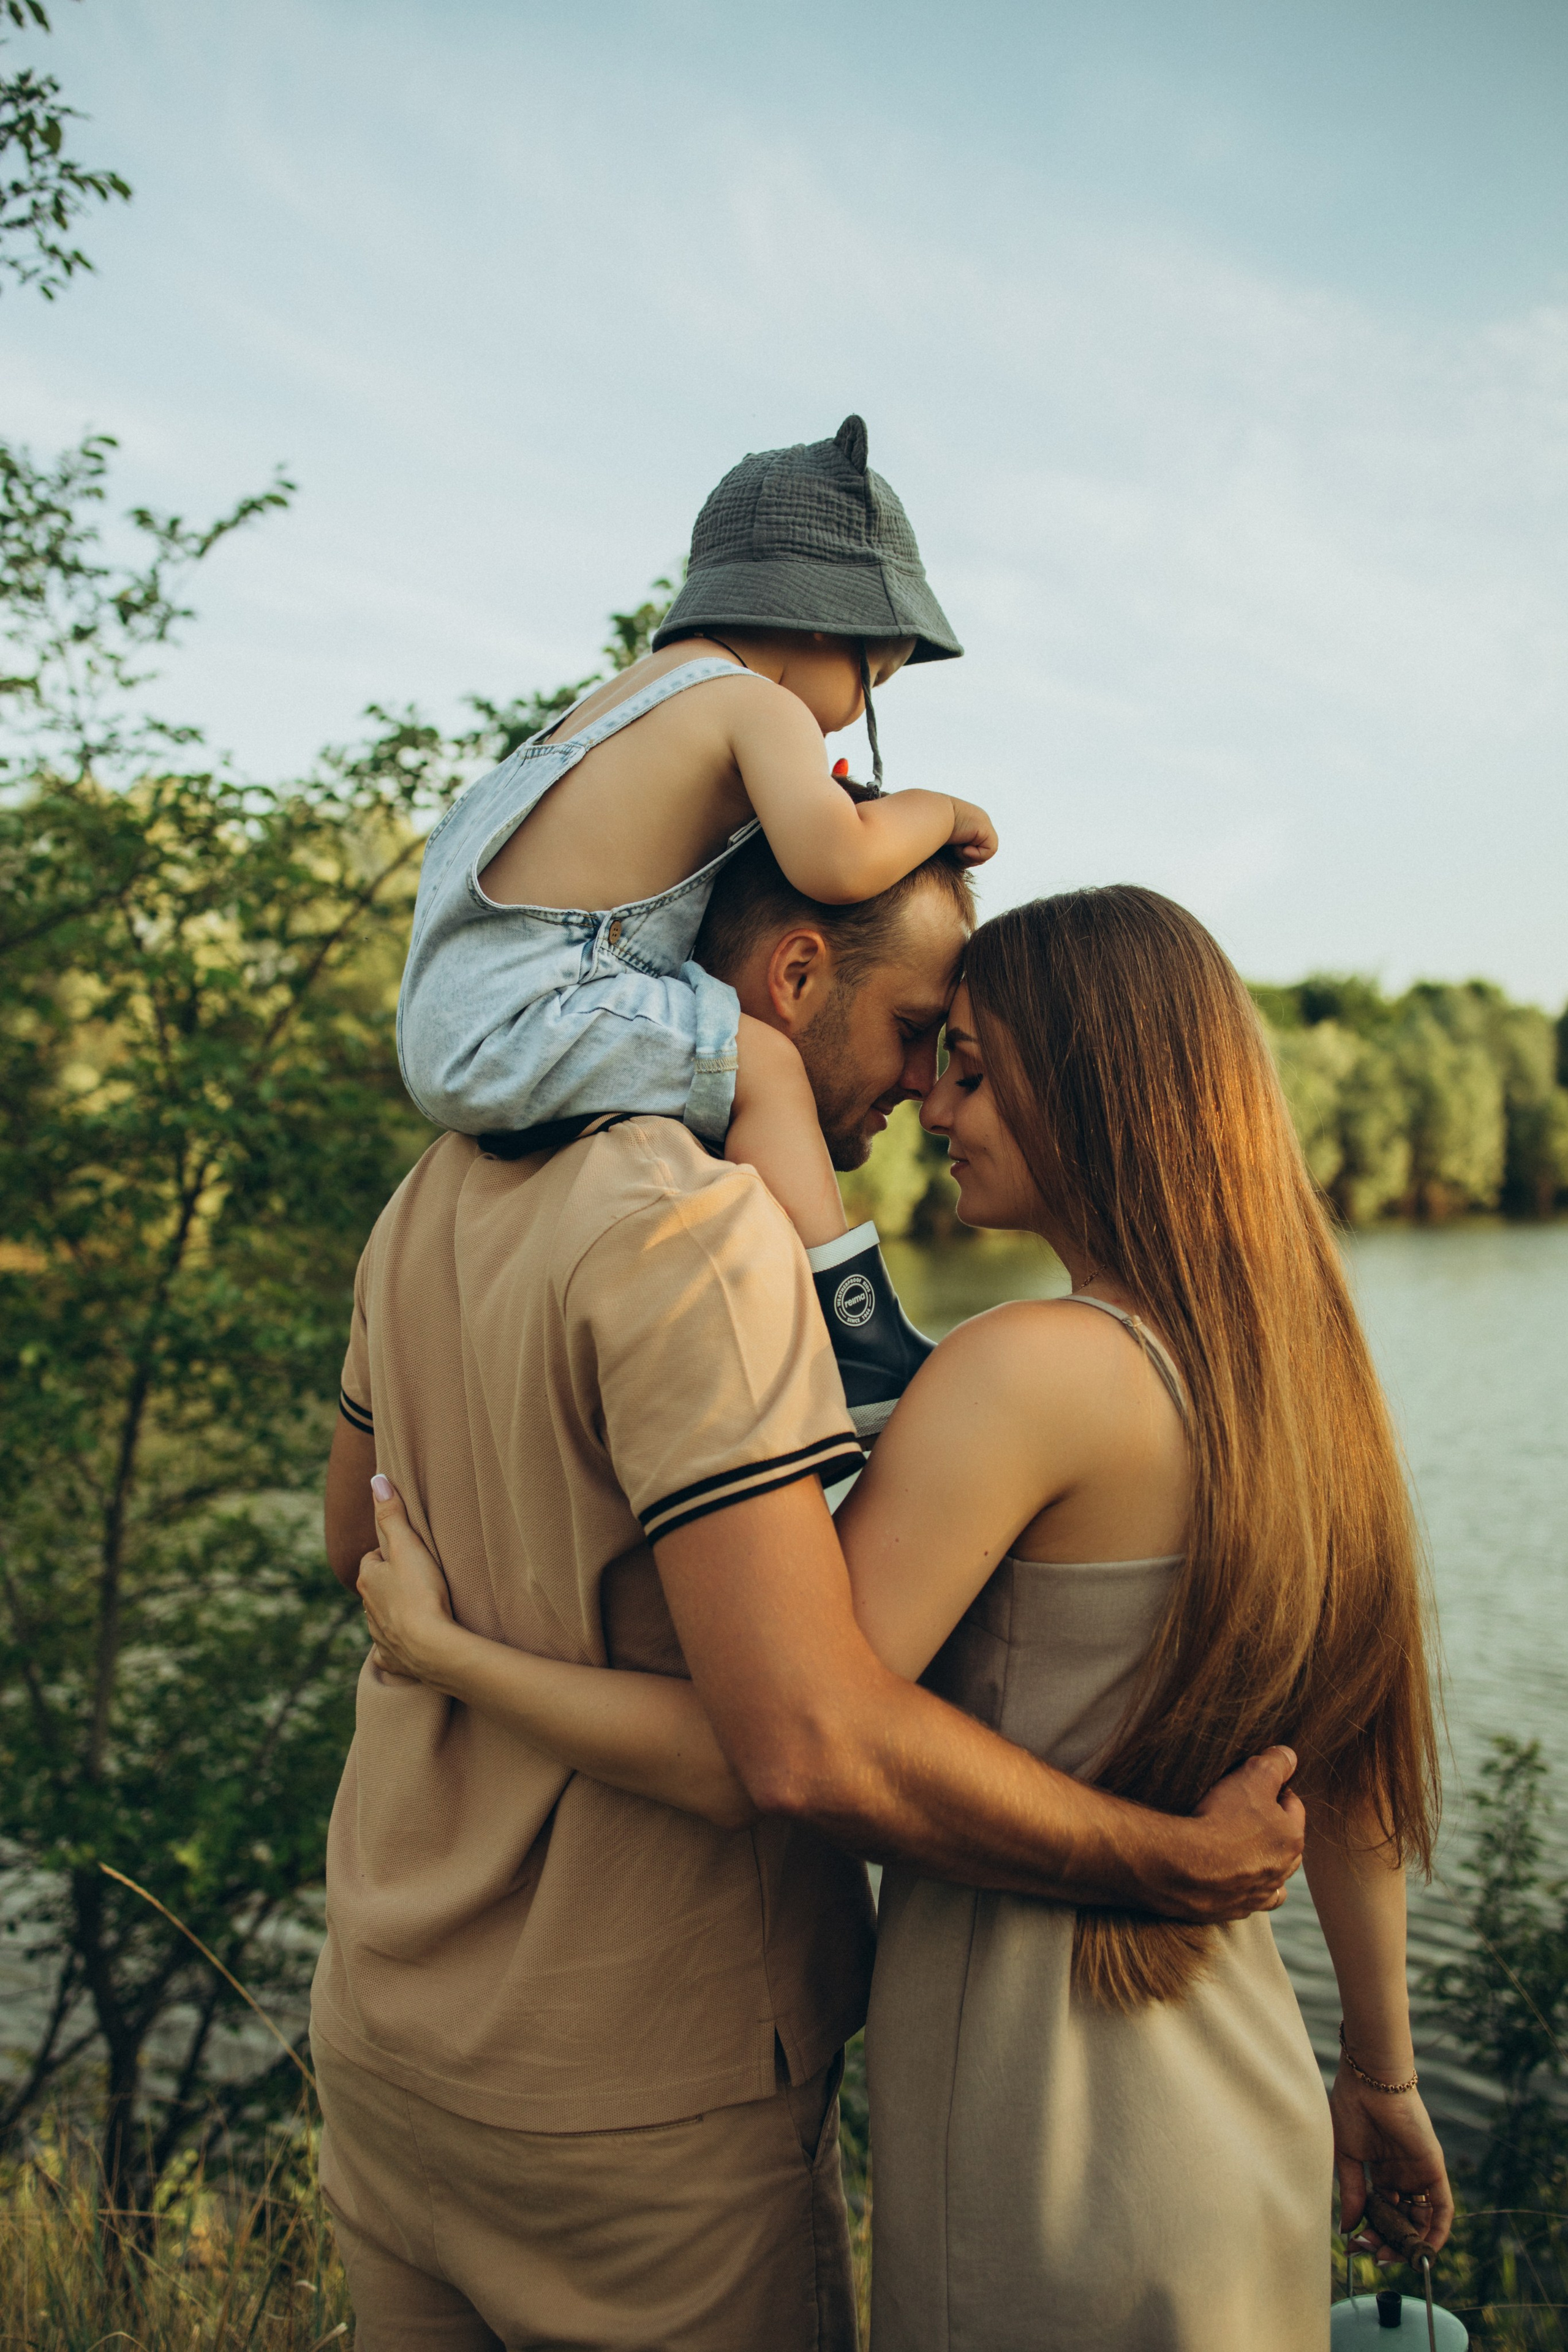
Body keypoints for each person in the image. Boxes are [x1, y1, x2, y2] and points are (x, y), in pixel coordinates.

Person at [358, 884, 1452, 2351]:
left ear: (1099, 1087)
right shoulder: (1300, 1387)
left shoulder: (1027, 1376)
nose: (935, 1105)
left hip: (1050, 2097)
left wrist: (452, 1658)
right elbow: (1358, 1778)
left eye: (975, 1069)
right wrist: (1378, 2077)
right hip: (1235, 2069)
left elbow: (775, 1741)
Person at [396, 413, 995, 1436]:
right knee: (758, 1064)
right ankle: (853, 1340)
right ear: (819, 623)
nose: (850, 719)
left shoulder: (622, 706)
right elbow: (836, 863)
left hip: (468, 999)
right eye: (874, 680)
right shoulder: (754, 707)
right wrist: (939, 812)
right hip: (528, 1006)